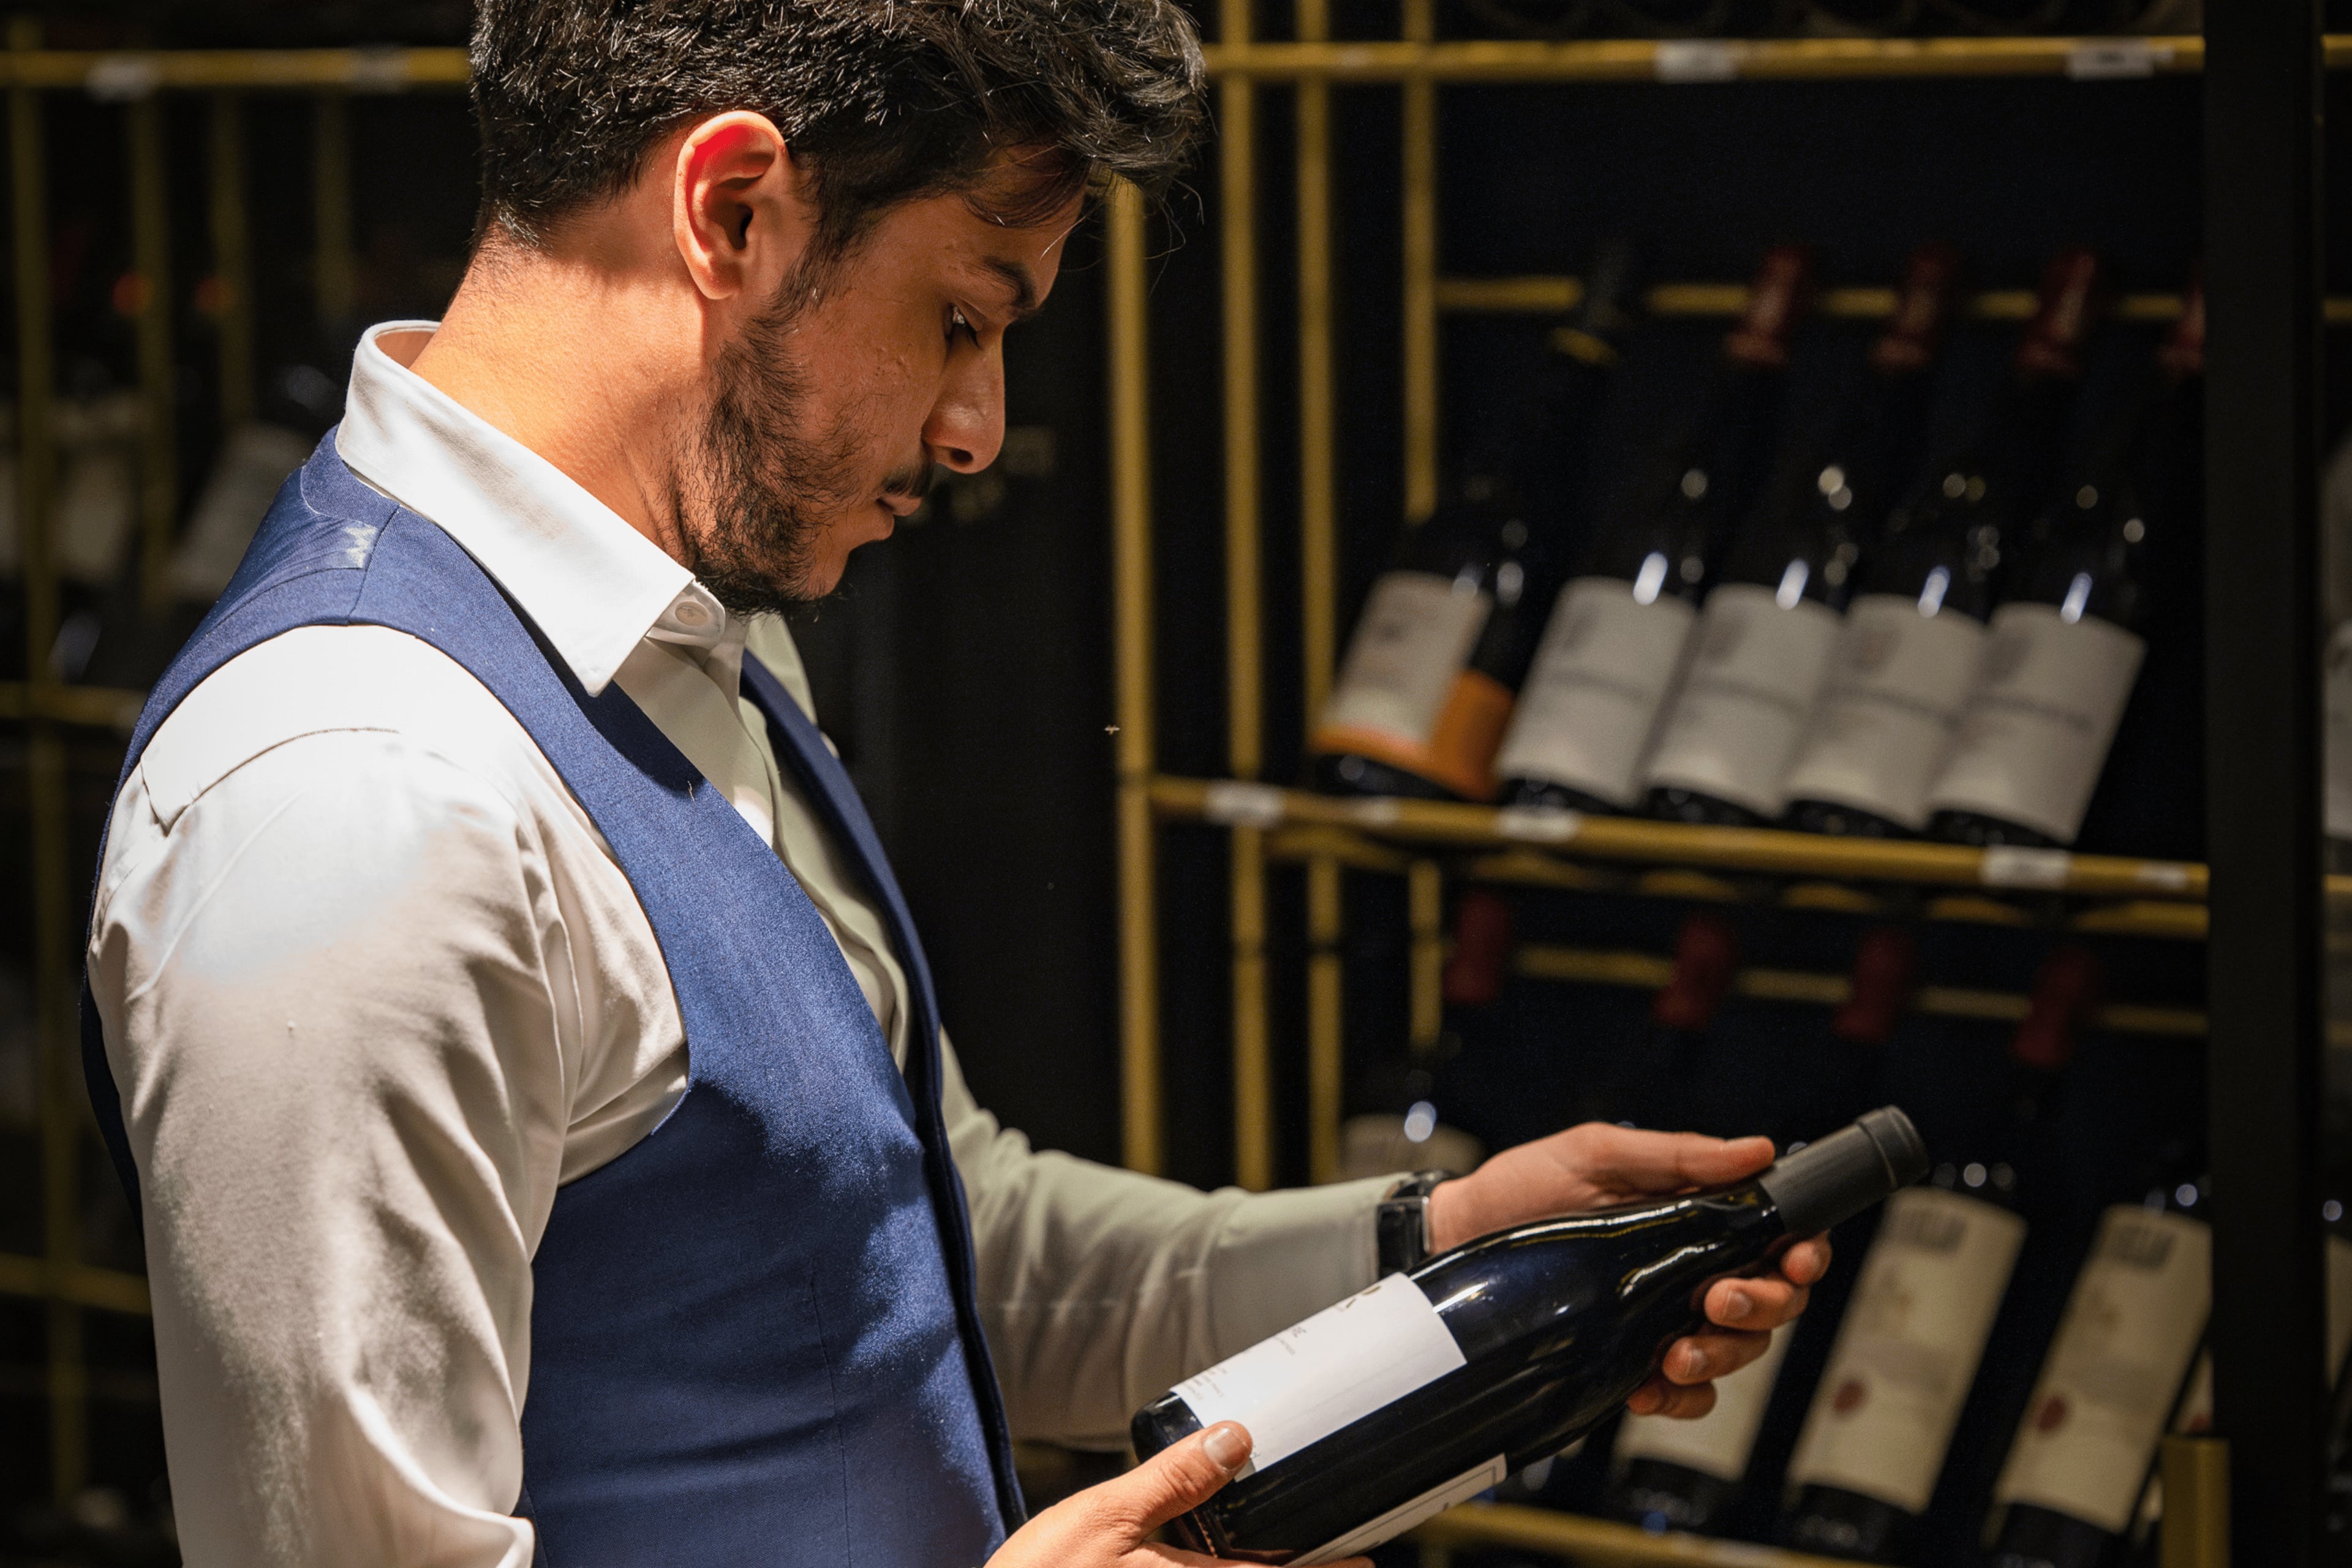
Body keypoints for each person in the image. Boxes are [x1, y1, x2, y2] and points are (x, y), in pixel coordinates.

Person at [80, 2, 1831, 1564]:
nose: (979, 427)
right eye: (962, 318)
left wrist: (1433, 1244)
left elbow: (906, 1242)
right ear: (733, 210)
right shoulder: (358, 794)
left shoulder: (698, 629)